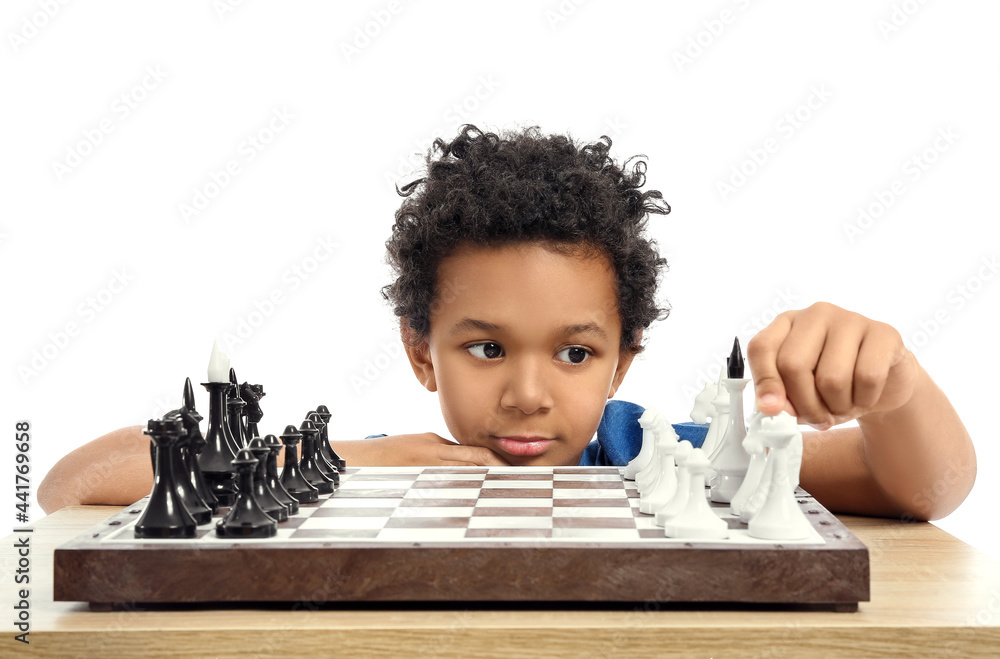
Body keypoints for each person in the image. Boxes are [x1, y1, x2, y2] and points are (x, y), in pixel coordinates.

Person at [37, 125, 976, 521]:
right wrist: (358, 460)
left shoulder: (659, 451)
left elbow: (921, 490)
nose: (527, 394)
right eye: (485, 348)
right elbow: (72, 485)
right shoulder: (387, 469)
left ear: (623, 361)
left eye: (575, 352)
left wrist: (899, 388)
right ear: (421, 353)